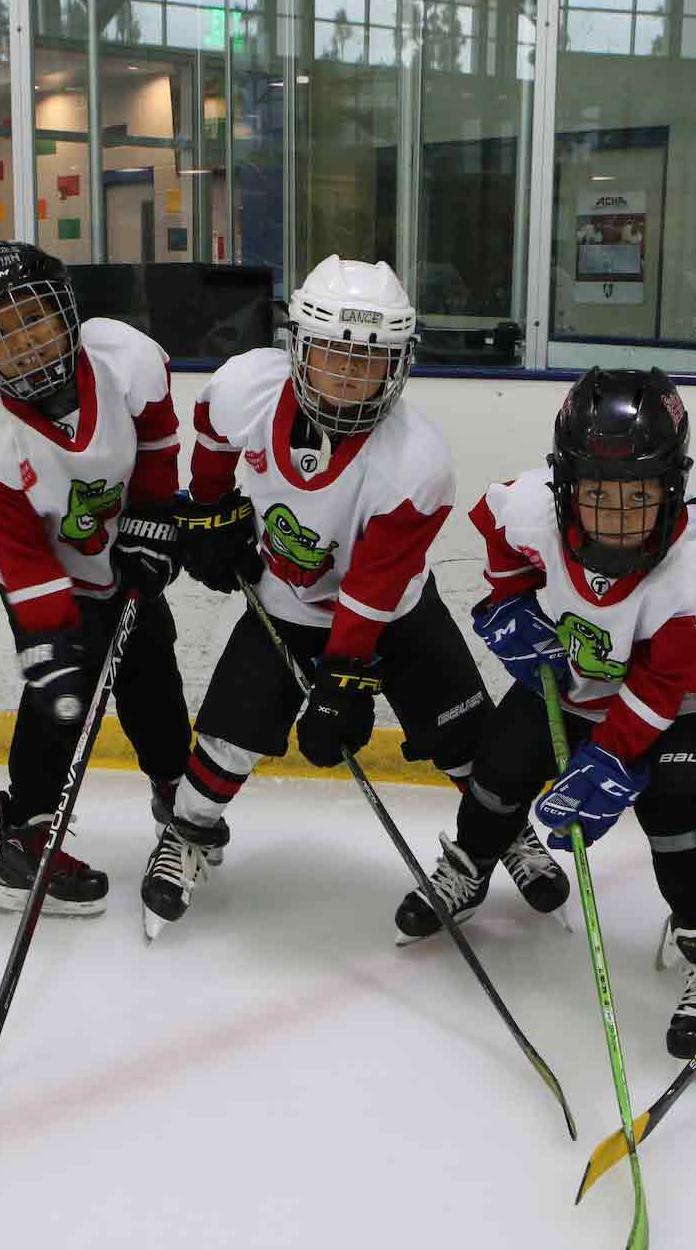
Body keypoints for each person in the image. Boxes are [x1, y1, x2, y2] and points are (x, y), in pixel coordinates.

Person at [142, 255, 541, 942]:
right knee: (226, 738)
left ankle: (504, 834)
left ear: (400, 364)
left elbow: (373, 587)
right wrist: (209, 506)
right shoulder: (248, 388)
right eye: (334, 355)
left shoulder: (416, 460)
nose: (352, 377)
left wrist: (342, 681)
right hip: (286, 605)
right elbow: (210, 426)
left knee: (467, 747)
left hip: (396, 614)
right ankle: (188, 832)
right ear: (298, 347)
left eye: (372, 360)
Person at [430, 368, 696, 1056]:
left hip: (686, 699)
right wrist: (509, 598)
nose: (618, 515)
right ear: (565, 483)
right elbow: (492, 522)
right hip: (576, 677)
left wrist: (610, 757)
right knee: (499, 767)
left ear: (675, 485)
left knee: (678, 813)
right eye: (598, 494)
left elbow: (663, 689)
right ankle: (472, 861)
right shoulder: (532, 511)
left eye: (641, 494)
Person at [0, 241, 192, 917]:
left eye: (31, 319)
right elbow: (21, 560)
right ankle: (28, 839)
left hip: (123, 549)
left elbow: (158, 440)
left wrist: (153, 517)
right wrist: (53, 640)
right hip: (47, 576)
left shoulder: (125, 358)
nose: (20, 344)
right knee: (63, 695)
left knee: (152, 671)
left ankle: (180, 799)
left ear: (66, 312)